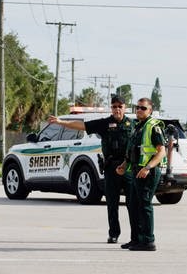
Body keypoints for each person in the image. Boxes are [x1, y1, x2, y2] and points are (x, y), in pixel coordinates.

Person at [47, 95, 134, 244]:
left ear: (125, 108)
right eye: (114, 106)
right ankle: (114, 233)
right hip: (111, 168)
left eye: (120, 106)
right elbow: (83, 126)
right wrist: (61, 122)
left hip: (128, 168)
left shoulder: (132, 125)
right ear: (111, 108)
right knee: (112, 204)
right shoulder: (105, 123)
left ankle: (135, 236)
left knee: (132, 204)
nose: (117, 109)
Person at [116, 97, 166, 251]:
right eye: (137, 107)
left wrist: (148, 167)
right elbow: (133, 151)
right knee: (134, 205)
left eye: (143, 108)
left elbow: (161, 152)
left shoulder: (153, 126)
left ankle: (148, 241)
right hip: (137, 170)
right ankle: (137, 239)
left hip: (148, 172)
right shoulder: (138, 126)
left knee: (144, 205)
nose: (139, 110)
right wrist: (124, 165)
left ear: (150, 110)